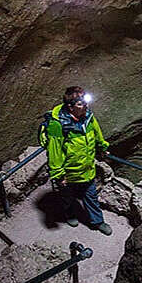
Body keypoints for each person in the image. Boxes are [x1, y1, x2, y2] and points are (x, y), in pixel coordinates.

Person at [45, 86, 112, 235]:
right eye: (81, 104)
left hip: (87, 168)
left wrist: (102, 147)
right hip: (69, 172)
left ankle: (98, 222)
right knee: (67, 196)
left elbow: (97, 133)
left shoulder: (88, 117)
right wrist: (59, 174)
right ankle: (69, 215)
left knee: (91, 196)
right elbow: (54, 152)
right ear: (70, 107)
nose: (86, 106)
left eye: (85, 102)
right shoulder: (58, 125)